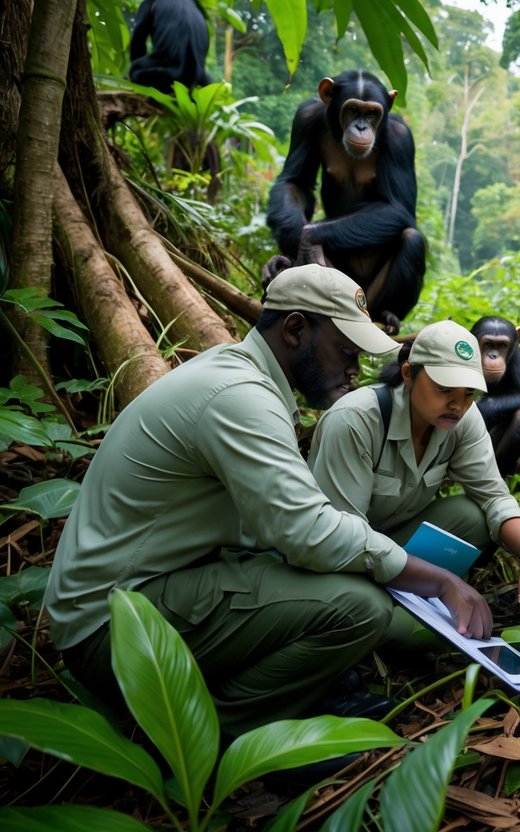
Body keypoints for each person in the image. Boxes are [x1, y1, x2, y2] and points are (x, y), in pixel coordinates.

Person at [45, 264, 492, 737]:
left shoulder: (240, 379)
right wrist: (440, 581)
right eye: (344, 351)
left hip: (146, 594)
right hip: (116, 626)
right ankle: (220, 734)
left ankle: (293, 693)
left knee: (339, 591)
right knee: (358, 606)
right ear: (296, 329)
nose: (353, 369)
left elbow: (280, 527)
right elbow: (309, 532)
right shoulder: (239, 397)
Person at [307, 319, 520, 646]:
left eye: (468, 393)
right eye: (444, 390)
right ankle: (386, 613)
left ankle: (408, 603)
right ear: (409, 374)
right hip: (339, 560)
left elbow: (493, 496)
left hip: (392, 545)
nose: (457, 404)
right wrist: (440, 582)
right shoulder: (356, 420)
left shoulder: (462, 418)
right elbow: (342, 539)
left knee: (473, 514)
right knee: (405, 633)